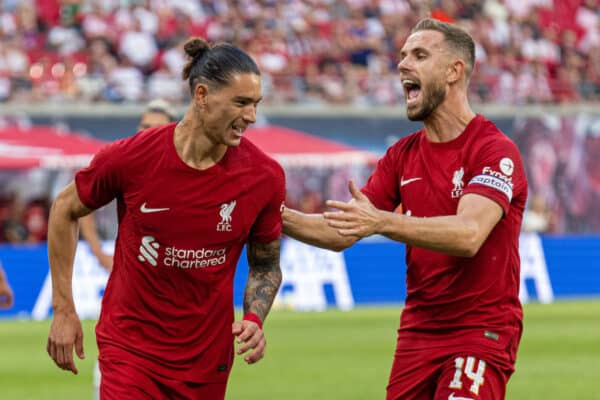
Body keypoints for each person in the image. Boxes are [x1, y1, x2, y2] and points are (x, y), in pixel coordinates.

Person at [283, 18, 527, 400]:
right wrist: (272, 213)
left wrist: (381, 221)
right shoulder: (401, 155)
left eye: (419, 54)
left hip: (481, 332)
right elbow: (342, 229)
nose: (402, 64)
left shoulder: (493, 150)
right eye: (402, 55)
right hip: (419, 333)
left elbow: (468, 235)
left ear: (453, 71)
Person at [46, 37, 285, 400]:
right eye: (241, 102)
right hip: (131, 353)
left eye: (255, 104)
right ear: (202, 95)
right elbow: (64, 209)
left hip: (207, 362)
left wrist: (254, 319)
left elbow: (266, 265)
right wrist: (63, 309)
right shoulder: (132, 158)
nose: (251, 116)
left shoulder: (264, 176)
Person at [79, 98, 177, 272]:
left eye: (157, 128)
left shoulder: (181, 168)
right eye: (145, 126)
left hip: (170, 268)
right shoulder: (124, 164)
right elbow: (81, 207)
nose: (149, 133)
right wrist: (99, 253)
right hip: (127, 265)